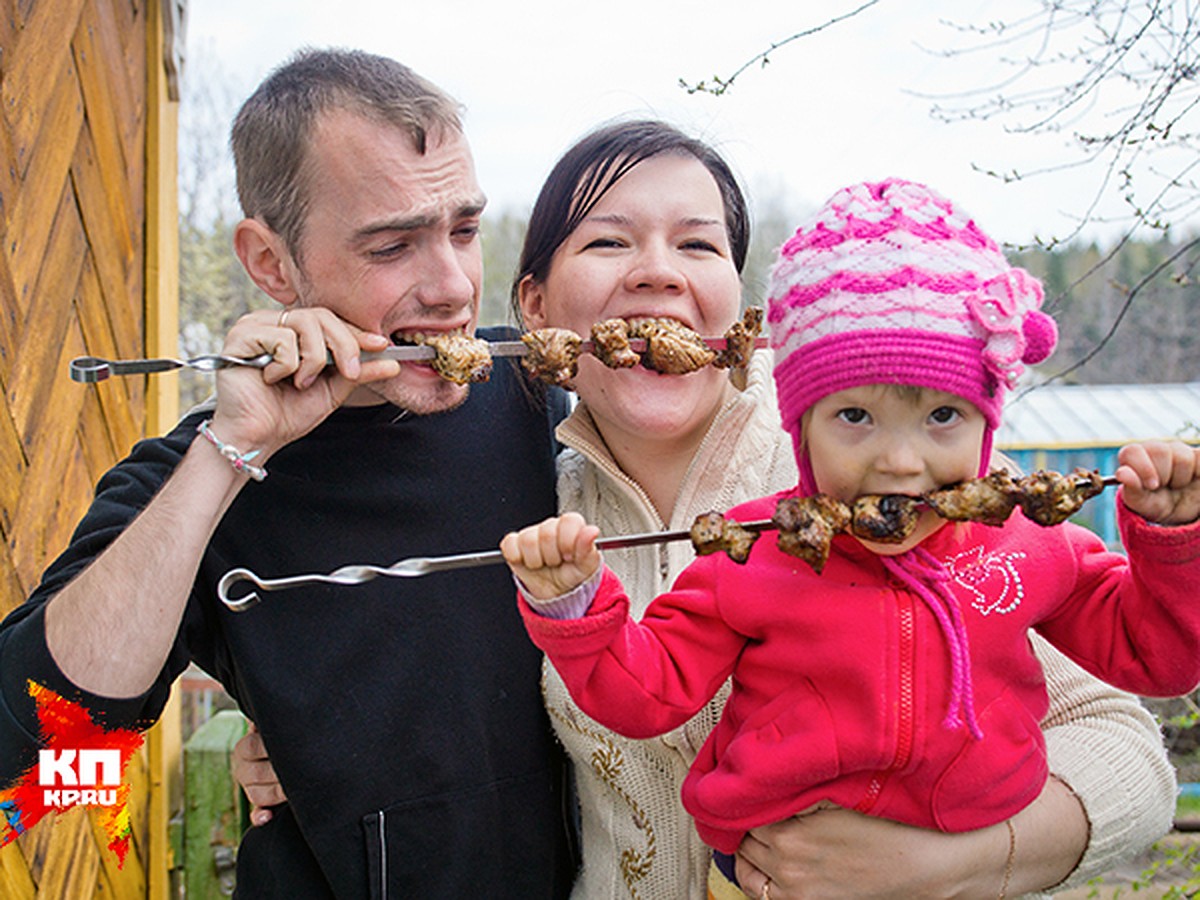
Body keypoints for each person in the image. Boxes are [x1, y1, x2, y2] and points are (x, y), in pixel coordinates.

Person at [235, 128, 1179, 899]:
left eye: (698, 244)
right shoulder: (521, 494)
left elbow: (1132, 756)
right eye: (608, 241)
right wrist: (318, 737)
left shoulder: (902, 467)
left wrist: (952, 864)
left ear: (743, 304)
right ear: (533, 311)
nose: (658, 274)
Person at [501, 177, 1200, 898]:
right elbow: (646, 695)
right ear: (801, 426)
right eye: (855, 418)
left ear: (988, 424)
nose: (900, 463)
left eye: (942, 418)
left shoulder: (1028, 547)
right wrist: (578, 608)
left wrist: (1173, 542)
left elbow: (1159, 658)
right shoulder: (752, 553)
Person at [0, 49, 577, 897]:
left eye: (461, 229)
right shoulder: (196, 474)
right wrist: (234, 448)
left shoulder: (546, 402)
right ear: (270, 264)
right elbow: (39, 756)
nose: (454, 286)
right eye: (393, 245)